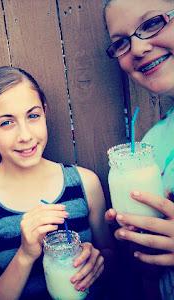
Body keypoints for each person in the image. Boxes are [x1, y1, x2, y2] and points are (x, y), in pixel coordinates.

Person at [0, 66, 114, 299]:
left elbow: (112, 257)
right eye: (6, 123)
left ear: (44, 112)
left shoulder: (85, 183)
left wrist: (98, 260)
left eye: (33, 116)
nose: (25, 135)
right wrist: (25, 254)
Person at [104, 0, 174, 299]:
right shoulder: (152, 145)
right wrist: (145, 256)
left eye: (150, 24)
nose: (138, 48)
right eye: (121, 42)